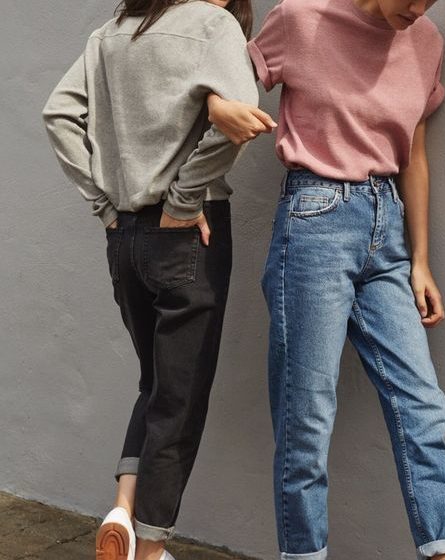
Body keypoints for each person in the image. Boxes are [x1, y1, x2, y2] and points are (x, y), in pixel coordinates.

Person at [207, 0, 445, 558]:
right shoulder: (300, 18)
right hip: (315, 222)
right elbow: (220, 81)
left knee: (423, 409)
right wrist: (210, 114)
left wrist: (421, 260)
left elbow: (414, 154)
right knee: (306, 420)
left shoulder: (426, 41)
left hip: (388, 233)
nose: (419, 8)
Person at [42, 1, 262, 559]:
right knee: (179, 400)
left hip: (125, 237)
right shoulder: (214, 26)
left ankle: (123, 507)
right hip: (188, 234)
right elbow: (240, 121)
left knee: (157, 383)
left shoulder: (110, 33)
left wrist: (103, 205)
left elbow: (58, 114)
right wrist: (185, 201)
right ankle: (150, 550)